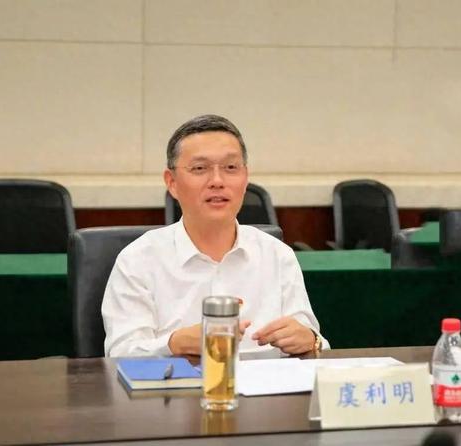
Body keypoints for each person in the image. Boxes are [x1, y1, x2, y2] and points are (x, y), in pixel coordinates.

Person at [102, 114, 328, 357]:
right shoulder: (138, 260)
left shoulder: (277, 255)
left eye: (231, 168)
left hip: (266, 382)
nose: (217, 181)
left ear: (245, 178)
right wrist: (174, 344)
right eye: (200, 168)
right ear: (172, 182)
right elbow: (119, 355)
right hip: (178, 383)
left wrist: (310, 339)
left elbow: (314, 344)